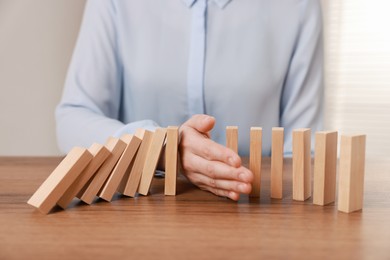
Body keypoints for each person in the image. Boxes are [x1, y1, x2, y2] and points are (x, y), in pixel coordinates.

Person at [56, 0, 324, 201]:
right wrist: (161, 148)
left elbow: (302, 147)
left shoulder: (298, 6)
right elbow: (74, 118)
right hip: (144, 206)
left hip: (256, 206)